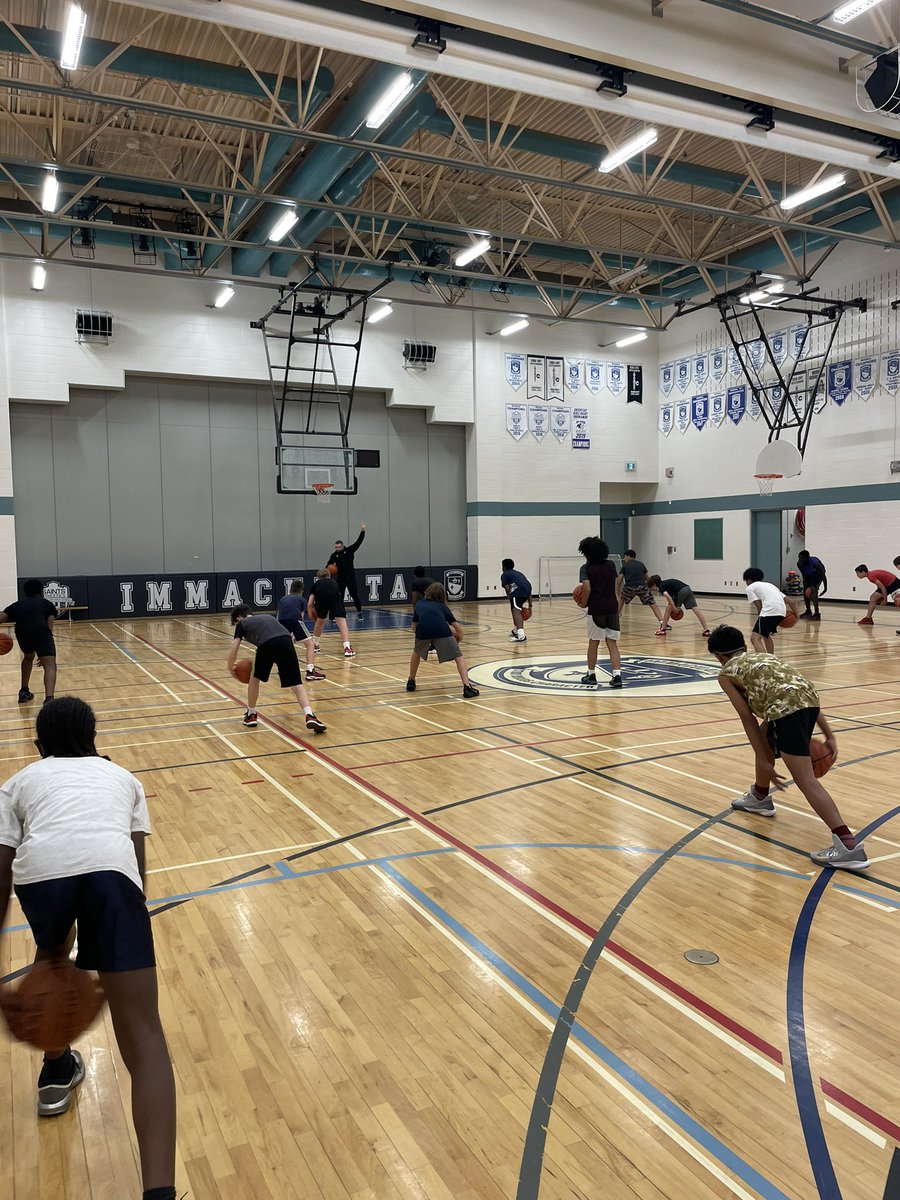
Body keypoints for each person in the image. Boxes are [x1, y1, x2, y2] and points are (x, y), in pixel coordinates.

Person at [0, 697, 179, 1200]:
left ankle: (55, 1070)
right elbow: (136, 870)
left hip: (41, 877)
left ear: (39, 746)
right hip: (113, 877)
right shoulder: (123, 778)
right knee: (145, 1035)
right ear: (94, 739)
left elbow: (1, 874)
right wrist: (121, 942)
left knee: (51, 963)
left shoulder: (18, 783)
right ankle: (159, 1193)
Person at [706, 626, 868, 870]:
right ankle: (759, 797)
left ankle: (848, 846)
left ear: (719, 656)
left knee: (806, 780)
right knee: (765, 734)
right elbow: (799, 692)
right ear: (745, 647)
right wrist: (829, 734)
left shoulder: (726, 674)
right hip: (809, 702)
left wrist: (764, 760)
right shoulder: (765, 657)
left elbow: (747, 719)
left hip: (785, 710)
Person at [228, 605, 326, 733]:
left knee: (254, 678)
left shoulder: (242, 624)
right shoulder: (267, 617)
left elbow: (234, 649)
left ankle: (251, 714)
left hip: (266, 644)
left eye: (235, 624)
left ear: (238, 618)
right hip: (286, 641)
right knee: (296, 683)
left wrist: (230, 668)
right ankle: (310, 715)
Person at [406, 583, 479, 698]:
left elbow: (413, 627)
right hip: (442, 631)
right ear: (442, 595)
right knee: (459, 657)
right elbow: (459, 630)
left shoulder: (419, 604)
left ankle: (411, 681)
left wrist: (424, 637)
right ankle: (467, 687)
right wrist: (456, 642)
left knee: (416, 652)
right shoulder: (442, 607)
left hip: (423, 631)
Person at [0, 578, 58, 705]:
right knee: (49, 664)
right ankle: (49, 699)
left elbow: (2, 617)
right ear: (41, 591)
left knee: (28, 657)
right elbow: (49, 626)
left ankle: (24, 691)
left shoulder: (17, 605)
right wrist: (44, 651)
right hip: (41, 632)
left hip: (22, 633)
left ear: (25, 592)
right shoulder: (48, 604)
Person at [578, 536, 622, 689]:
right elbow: (614, 584)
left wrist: (583, 603)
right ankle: (617, 676)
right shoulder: (610, 565)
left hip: (596, 608)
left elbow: (587, 588)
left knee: (594, 642)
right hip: (612, 607)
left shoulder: (586, 568)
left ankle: (591, 675)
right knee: (612, 643)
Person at [276, 580, 326, 682]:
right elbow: (301, 616)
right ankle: (310, 671)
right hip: (295, 620)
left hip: (281, 621)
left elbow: (278, 615)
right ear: (302, 591)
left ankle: (283, 669)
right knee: (310, 644)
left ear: (290, 590)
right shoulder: (302, 599)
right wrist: (296, 633)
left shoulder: (283, 599)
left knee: (286, 645)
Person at [743, 567, 796, 654]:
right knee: (766, 635)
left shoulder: (750, 588)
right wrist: (797, 617)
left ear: (748, 579)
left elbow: (759, 607)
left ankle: (763, 660)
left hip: (769, 611)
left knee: (755, 638)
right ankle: (771, 657)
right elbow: (791, 602)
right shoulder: (770, 585)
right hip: (781, 611)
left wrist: (760, 620)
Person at [308, 570, 354, 659]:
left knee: (320, 621)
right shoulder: (334, 583)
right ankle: (347, 648)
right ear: (329, 575)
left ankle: (315, 645)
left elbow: (310, 603)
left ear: (318, 577)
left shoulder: (316, 584)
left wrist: (310, 614)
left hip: (321, 600)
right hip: (335, 599)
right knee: (342, 622)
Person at [327, 523, 366, 618]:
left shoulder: (349, 550)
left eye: (338, 547)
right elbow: (328, 565)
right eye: (336, 547)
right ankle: (340, 614)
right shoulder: (334, 555)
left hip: (351, 578)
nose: (337, 549)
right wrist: (327, 571)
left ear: (342, 546)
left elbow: (358, 542)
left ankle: (359, 612)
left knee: (355, 595)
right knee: (339, 597)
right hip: (340, 579)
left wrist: (363, 531)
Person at [617, 550, 664, 625]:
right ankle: (662, 621)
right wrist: (650, 588)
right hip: (642, 586)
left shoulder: (625, 566)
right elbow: (647, 578)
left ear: (628, 556)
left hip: (629, 587)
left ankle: (616, 618)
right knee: (653, 603)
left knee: (621, 600)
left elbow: (619, 579)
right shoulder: (641, 564)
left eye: (625, 557)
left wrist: (618, 593)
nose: (624, 558)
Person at [500, 558, 532, 643]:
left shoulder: (505, 574)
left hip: (518, 592)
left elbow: (507, 588)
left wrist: (510, 597)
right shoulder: (518, 573)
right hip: (527, 590)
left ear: (503, 567)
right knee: (517, 610)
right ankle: (515, 631)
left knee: (516, 612)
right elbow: (528, 587)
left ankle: (521, 636)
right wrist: (530, 606)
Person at [796, 550, 827, 621]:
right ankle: (808, 611)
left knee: (813, 590)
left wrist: (825, 588)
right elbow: (804, 575)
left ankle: (817, 613)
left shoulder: (816, 564)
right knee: (805, 591)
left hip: (818, 577)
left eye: (801, 558)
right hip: (808, 576)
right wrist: (806, 585)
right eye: (798, 557)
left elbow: (823, 576)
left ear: (807, 558)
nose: (799, 559)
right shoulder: (799, 564)